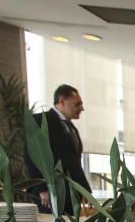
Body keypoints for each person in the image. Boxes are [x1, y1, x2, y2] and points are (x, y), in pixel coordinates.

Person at [25, 84, 89, 212]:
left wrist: (85, 191)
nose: (82, 108)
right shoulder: (40, 120)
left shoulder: (71, 128)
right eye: (77, 104)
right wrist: (42, 189)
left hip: (70, 194)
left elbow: (74, 162)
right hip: (50, 193)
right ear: (62, 101)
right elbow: (32, 156)